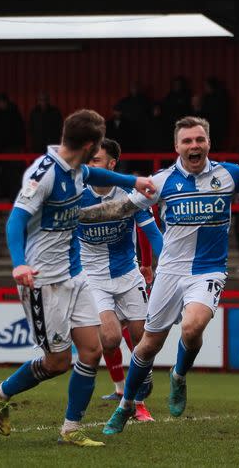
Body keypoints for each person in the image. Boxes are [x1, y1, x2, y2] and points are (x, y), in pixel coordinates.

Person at [80, 116, 239, 435]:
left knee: (193, 327)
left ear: (208, 142)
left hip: (208, 270)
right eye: (187, 141)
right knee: (148, 346)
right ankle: (126, 407)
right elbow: (121, 209)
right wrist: (76, 214)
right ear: (176, 147)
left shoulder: (228, 174)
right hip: (170, 271)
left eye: (199, 139)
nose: (194, 145)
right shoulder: (161, 181)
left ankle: (178, 376)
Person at [0, 109, 156, 447]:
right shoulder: (44, 174)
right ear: (91, 144)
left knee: (92, 351)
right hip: (42, 280)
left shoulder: (77, 168)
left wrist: (132, 182)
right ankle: (0, 392)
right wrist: (19, 264)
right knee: (58, 362)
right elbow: (14, 221)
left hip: (75, 275)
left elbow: (92, 172)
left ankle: (71, 429)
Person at [77, 138, 163, 422]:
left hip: (127, 273)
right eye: (88, 160)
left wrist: (162, 265)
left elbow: (151, 231)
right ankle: (126, 385)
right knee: (111, 339)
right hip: (93, 276)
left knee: (143, 340)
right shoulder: (77, 194)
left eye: (97, 160)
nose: (90, 165)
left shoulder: (130, 193)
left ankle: (137, 403)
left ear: (112, 165)